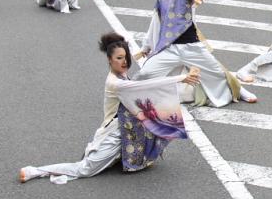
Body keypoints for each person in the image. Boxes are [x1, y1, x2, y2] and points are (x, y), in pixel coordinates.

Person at [19, 33, 200, 184]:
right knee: (85, 169)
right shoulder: (115, 83)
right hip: (113, 134)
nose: (124, 62)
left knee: (151, 114)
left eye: (126, 57)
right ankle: (34, 171)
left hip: (124, 131)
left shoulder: (122, 75)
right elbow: (146, 86)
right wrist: (180, 78)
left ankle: (135, 155)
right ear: (109, 59)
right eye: (119, 58)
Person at [135, 0, 256, 105]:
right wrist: (145, 47)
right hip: (169, 49)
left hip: (192, 47)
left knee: (217, 72)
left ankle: (239, 90)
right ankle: (131, 96)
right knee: (145, 73)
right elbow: (154, 24)